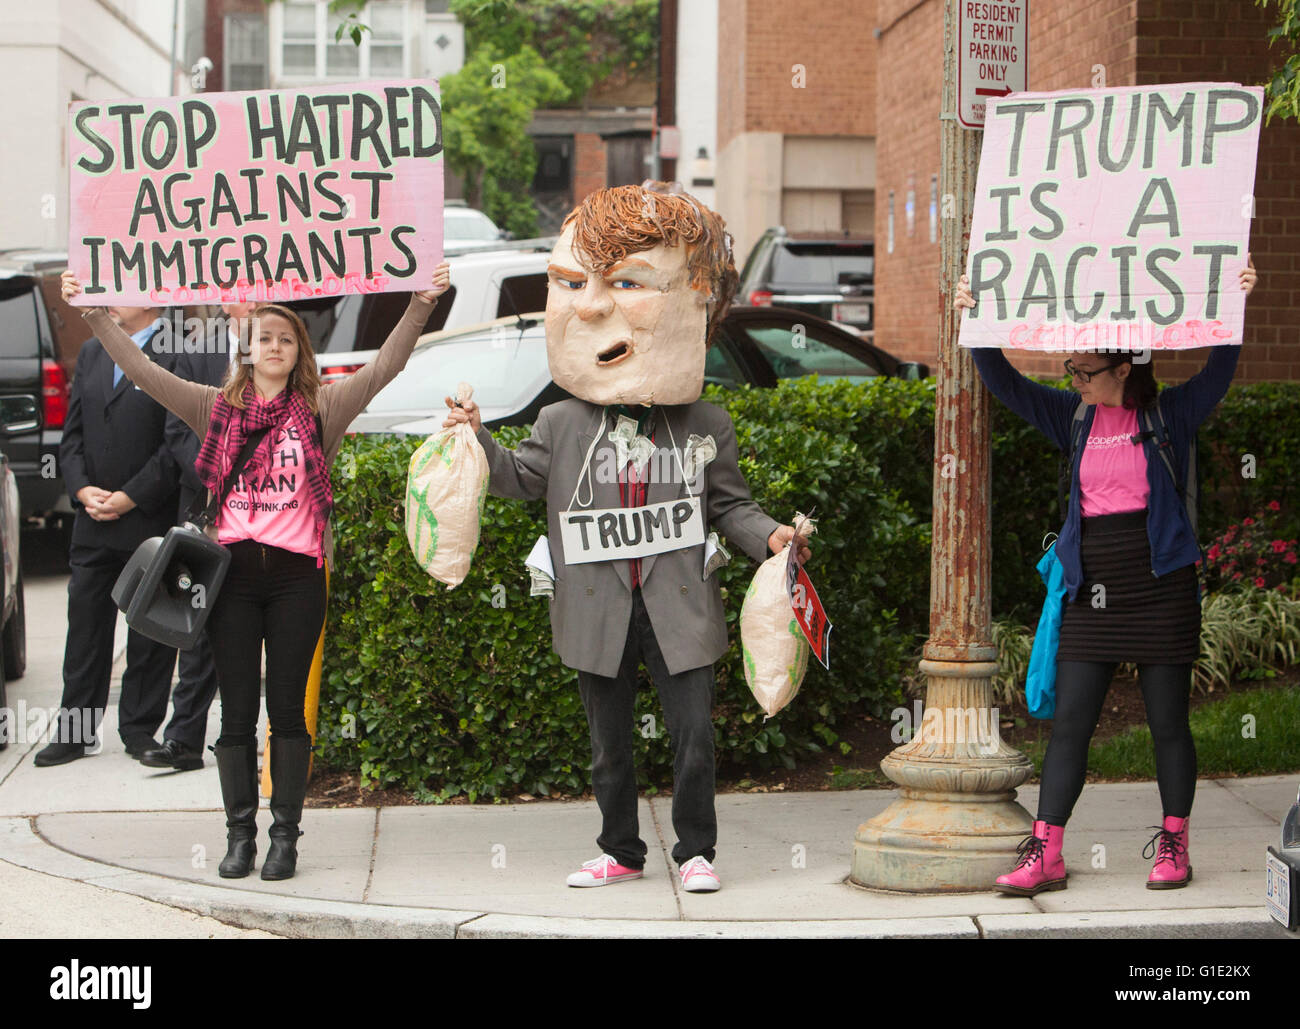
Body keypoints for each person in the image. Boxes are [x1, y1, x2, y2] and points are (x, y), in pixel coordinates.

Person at [443, 183, 809, 893]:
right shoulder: (561, 421)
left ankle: (696, 850)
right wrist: (476, 439)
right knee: (609, 743)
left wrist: (771, 539)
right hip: (597, 602)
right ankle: (620, 849)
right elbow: (520, 479)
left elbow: (731, 505)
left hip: (678, 599)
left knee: (694, 736)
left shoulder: (705, 421)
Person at [60, 262, 450, 880]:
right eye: (264, 337)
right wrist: (93, 314)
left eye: (285, 339)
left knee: (288, 711)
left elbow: (386, 366)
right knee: (236, 713)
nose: (273, 346)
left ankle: (285, 838)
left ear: (299, 353)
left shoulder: (325, 406)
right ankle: (239, 835)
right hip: (231, 581)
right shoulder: (211, 406)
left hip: (298, 579)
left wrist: (423, 301)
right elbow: (140, 370)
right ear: (247, 349)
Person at [954, 256, 1257, 895]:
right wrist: (975, 315)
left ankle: (1174, 845)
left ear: (1125, 369)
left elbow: (1220, 368)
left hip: (1161, 584)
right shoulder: (1076, 417)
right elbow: (1002, 379)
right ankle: (1047, 852)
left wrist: (1235, 302)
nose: (1075, 378)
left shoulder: (1168, 417)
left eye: (1086, 371)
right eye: (1073, 370)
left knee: (1169, 722)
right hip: (1091, 588)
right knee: (1071, 723)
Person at [35, 305, 183, 767]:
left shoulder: (178, 351)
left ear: (153, 298)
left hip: (148, 517)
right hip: (92, 521)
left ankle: (140, 731)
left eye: (122, 288)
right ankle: (75, 733)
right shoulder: (93, 351)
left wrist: (130, 497)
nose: (111, 297)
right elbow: (72, 434)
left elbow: (177, 442)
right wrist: (80, 489)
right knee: (85, 628)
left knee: (148, 632)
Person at [141, 304, 252, 772]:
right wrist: (216, 478)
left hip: (266, 512)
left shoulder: (283, 346)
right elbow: (176, 432)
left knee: (259, 627)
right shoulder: (194, 351)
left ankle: (251, 744)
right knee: (198, 621)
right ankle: (183, 741)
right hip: (204, 509)